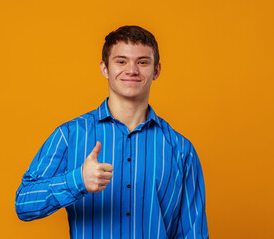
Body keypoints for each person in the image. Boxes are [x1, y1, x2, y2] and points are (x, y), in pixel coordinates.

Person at [15, 25, 209, 239]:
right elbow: (24, 203)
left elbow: (193, 232)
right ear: (105, 68)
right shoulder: (69, 135)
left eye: (142, 62)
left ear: (156, 71)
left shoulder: (181, 149)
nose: (132, 70)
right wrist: (77, 180)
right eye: (121, 61)